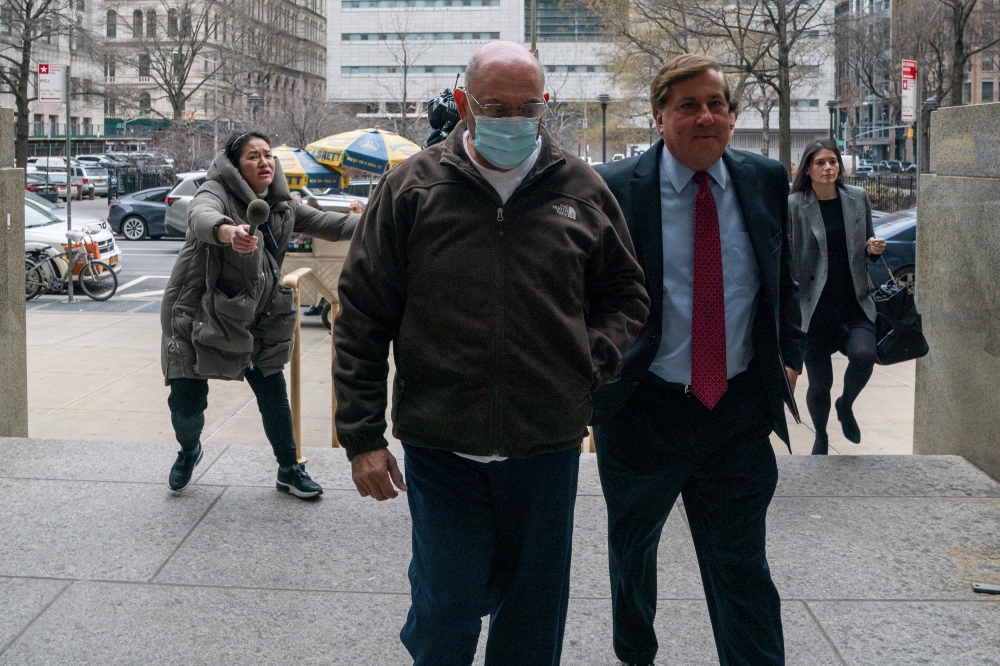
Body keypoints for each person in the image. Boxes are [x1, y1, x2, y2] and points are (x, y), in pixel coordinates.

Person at [333, 41, 648, 666]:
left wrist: (590, 360)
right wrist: (362, 436)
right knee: (445, 611)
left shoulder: (581, 190)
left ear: (545, 105)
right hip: (441, 445)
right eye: (494, 105)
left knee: (532, 621)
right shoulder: (412, 189)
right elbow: (363, 315)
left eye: (527, 107)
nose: (512, 119)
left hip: (545, 448)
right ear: (462, 104)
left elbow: (628, 294)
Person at [590, 54, 806, 666]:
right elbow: (585, 291)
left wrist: (789, 353)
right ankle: (637, 656)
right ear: (660, 116)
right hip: (643, 410)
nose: (705, 116)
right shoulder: (614, 186)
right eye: (688, 105)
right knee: (632, 557)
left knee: (742, 565)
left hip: (736, 410)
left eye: (717, 104)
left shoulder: (764, 178)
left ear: (733, 116)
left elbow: (780, 276)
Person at [162, 131, 359, 498]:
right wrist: (228, 231)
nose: (264, 162)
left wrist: (378, 218)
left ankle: (289, 469)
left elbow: (331, 225)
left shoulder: (283, 205)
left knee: (273, 394)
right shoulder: (215, 190)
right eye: (253, 157)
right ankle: (189, 450)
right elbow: (200, 216)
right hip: (198, 313)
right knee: (186, 405)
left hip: (258, 314)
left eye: (268, 155)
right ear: (236, 166)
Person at [788, 139, 885, 454]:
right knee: (819, 384)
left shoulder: (857, 198)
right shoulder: (794, 205)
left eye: (833, 161)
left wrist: (873, 249)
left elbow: (869, 245)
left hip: (855, 302)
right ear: (808, 169)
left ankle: (847, 404)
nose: (828, 167)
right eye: (820, 163)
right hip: (814, 309)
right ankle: (821, 436)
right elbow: (787, 258)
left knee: (863, 355)